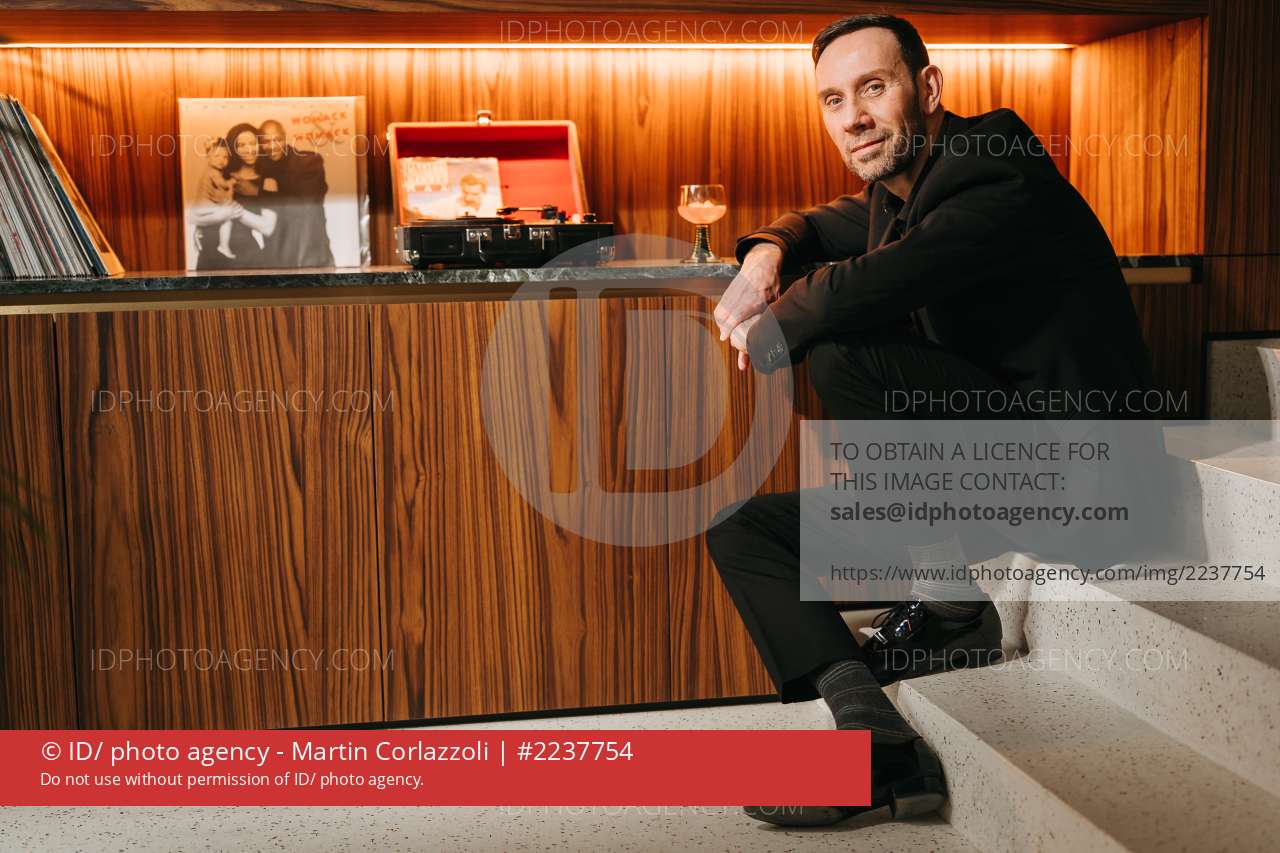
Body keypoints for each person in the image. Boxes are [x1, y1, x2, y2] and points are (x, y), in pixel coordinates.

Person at [704, 13, 1157, 828]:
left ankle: (949, 601)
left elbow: (870, 285)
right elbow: (820, 224)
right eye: (833, 100)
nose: (853, 118)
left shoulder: (996, 166)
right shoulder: (900, 190)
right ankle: (878, 743)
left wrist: (776, 324)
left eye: (873, 88)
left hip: (1084, 482)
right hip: (988, 487)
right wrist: (765, 252)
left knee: (844, 352)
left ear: (929, 87)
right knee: (744, 531)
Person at [193, 123, 279, 270]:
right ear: (233, 148)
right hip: (208, 254)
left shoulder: (268, 181)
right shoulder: (221, 174)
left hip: (243, 257)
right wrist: (200, 226)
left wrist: (232, 211)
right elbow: (200, 210)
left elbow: (267, 227)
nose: (249, 149)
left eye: (253, 143)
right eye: (241, 145)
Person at [257, 119, 334, 268]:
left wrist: (261, 191)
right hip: (277, 258)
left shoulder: (308, 161)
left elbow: (304, 205)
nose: (272, 146)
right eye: (266, 141)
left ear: (285, 137)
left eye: (277, 140)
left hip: (311, 254)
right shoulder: (260, 167)